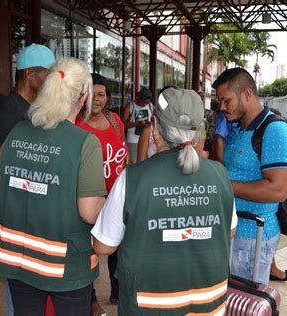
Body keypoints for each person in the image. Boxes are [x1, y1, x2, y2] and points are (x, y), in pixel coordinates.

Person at [92, 87, 236, 315]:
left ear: (155, 128)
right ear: (200, 133)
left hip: (148, 305)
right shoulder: (220, 175)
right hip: (209, 303)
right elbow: (228, 231)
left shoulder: (132, 178)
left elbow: (102, 246)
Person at [0, 58, 106, 315]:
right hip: (64, 264)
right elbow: (89, 211)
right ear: (83, 97)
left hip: (17, 258)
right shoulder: (84, 142)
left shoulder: (19, 131)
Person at [212, 68, 287, 285]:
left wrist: (225, 185)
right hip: (233, 231)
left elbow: (278, 190)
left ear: (247, 94)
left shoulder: (276, 130)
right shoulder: (240, 129)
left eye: (226, 100)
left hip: (252, 236)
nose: (221, 107)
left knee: (247, 303)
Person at [76, 73, 128, 313]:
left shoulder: (116, 120)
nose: (97, 99)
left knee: (119, 248)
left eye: (102, 94)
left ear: (107, 98)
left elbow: (123, 154)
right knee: (88, 252)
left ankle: (118, 291)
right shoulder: (76, 123)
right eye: (93, 94)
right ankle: (92, 299)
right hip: (89, 199)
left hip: (116, 198)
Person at [0, 44, 55, 177]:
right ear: (30, 74)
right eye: (48, 74)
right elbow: (14, 160)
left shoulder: (34, 106)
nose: (52, 81)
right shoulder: (10, 110)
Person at [121, 87, 154, 163]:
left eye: (147, 103)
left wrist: (148, 124)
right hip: (133, 140)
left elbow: (152, 120)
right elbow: (123, 124)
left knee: (147, 163)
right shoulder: (130, 106)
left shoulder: (150, 106)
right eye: (143, 103)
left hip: (147, 139)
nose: (145, 105)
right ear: (138, 97)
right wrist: (137, 123)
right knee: (136, 163)